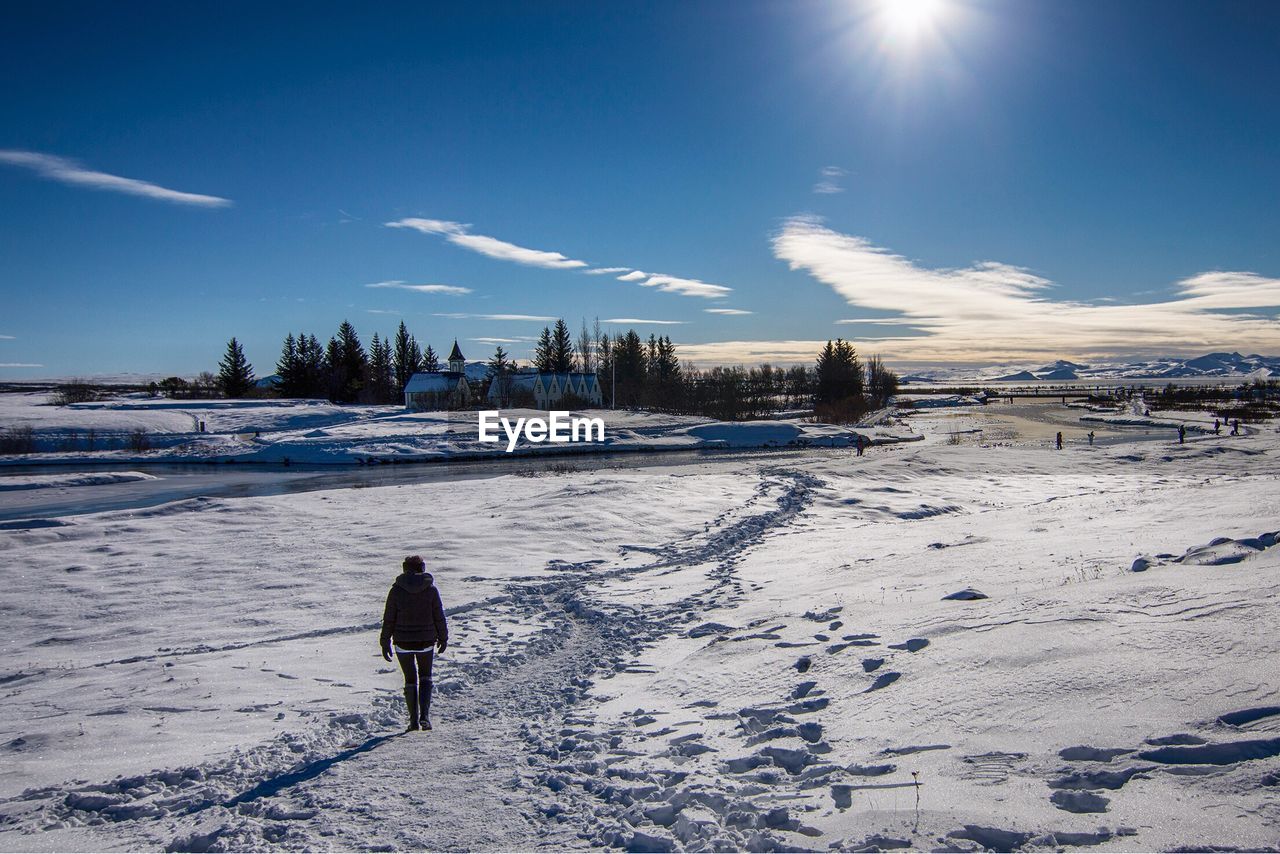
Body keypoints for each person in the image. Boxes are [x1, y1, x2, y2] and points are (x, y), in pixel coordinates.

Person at [379, 555, 448, 732]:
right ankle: (425, 717)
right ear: (422, 568)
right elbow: (438, 615)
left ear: (404, 568)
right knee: (425, 677)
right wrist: (443, 637)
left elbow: (389, 619)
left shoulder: (396, 590)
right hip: (426, 641)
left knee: (410, 679)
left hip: (402, 642)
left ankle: (412, 722)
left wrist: (385, 641)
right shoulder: (431, 590)